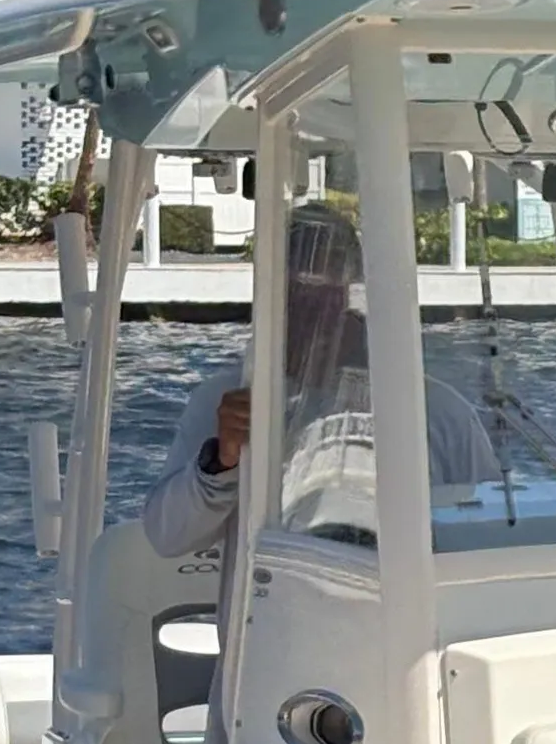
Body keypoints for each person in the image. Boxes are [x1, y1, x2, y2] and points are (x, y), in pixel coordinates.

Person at [143, 201, 496, 559]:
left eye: (326, 290)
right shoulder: (228, 404)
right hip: (270, 609)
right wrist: (221, 462)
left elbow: (488, 532)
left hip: (403, 610)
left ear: (350, 294)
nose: (312, 307)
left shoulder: (437, 411)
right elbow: (168, 537)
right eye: (296, 290)